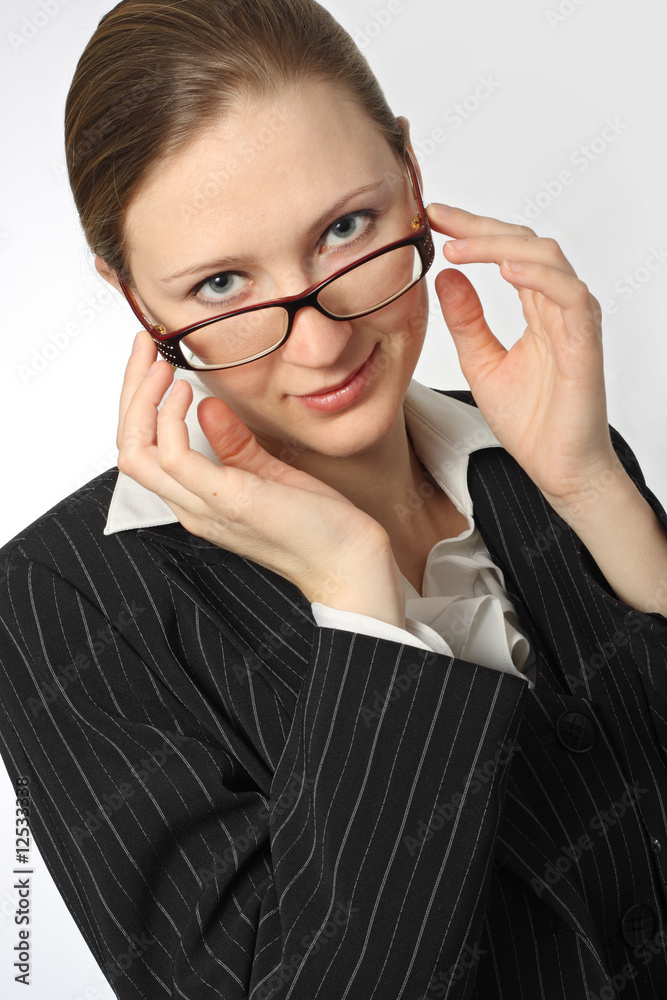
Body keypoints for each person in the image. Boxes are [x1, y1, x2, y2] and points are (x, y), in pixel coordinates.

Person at [1, 0, 667, 997]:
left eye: (345, 229)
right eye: (221, 283)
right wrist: (363, 605)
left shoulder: (552, 456)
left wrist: (592, 489)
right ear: (134, 298)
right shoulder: (62, 603)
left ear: (410, 180)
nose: (322, 343)